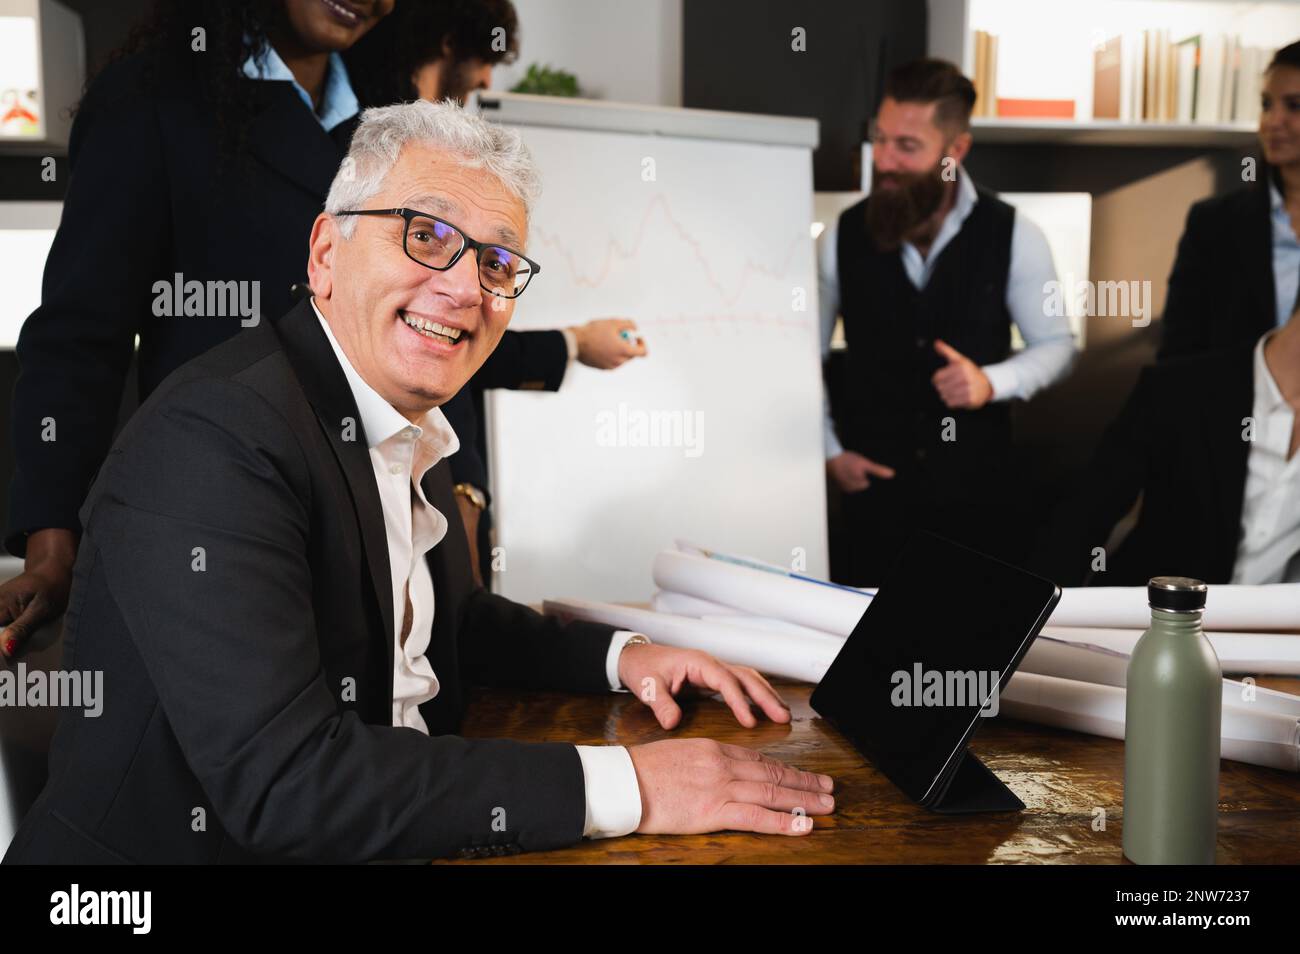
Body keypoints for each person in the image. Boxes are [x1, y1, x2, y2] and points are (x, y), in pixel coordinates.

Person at [2, 101, 834, 864]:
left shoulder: (390, 415)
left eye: (499, 262)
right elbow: (290, 785)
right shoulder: (216, 439)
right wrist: (634, 786)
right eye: (427, 236)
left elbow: (446, 626)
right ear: (326, 253)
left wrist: (627, 656)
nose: (468, 288)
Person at [0, 0, 395, 659]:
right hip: (215, 521)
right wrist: (52, 543)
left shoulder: (390, 113)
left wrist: (461, 487)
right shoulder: (152, 99)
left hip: (375, 523)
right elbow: (80, 339)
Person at [346, 0, 646, 582]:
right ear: (452, 38)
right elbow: (427, 327)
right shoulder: (374, 144)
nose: (487, 79)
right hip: (395, 461)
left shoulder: (430, 138)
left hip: (449, 461)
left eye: (497, 260)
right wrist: (574, 344)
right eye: (486, 57)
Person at [819, 58, 1077, 585]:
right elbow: (804, 357)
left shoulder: (1016, 235)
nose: (884, 161)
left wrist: (991, 382)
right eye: (881, 138)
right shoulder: (839, 236)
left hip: (978, 504)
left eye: (906, 147)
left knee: (971, 649)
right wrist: (830, 454)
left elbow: (1058, 345)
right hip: (871, 504)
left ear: (955, 151)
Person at [1029, 307, 1300, 586]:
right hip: (1151, 618)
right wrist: (1042, 618)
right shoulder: (1178, 390)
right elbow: (1082, 520)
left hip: (1279, 626)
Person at [1158, 41, 1300, 360]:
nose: (1272, 121)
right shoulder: (1213, 223)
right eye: (1266, 104)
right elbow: (1179, 354)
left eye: (1295, 106)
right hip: (1236, 407)